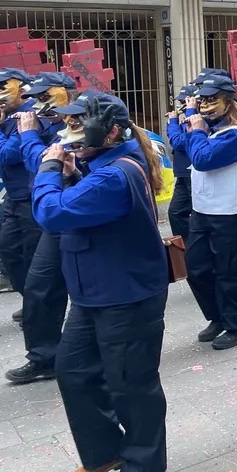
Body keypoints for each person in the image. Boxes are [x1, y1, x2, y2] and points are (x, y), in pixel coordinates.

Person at [32, 91, 169, 472]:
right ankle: (104, 453)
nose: (69, 129)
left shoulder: (114, 174)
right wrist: (73, 174)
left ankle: (143, 464)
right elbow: (87, 203)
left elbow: (51, 213)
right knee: (74, 371)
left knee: (132, 388)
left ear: (110, 132)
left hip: (125, 297)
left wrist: (49, 170)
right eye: (68, 121)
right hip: (94, 293)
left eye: (79, 121)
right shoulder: (102, 166)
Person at [3, 72, 78, 385]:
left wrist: (29, 135)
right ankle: (44, 357)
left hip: (74, 210)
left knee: (65, 288)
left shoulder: (78, 121)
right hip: (51, 210)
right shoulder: (41, 121)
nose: (38, 104)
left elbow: (44, 162)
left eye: (45, 96)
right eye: (35, 98)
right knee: (39, 284)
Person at [184, 74, 237, 351]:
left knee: (230, 273)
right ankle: (218, 317)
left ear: (228, 102)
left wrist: (196, 129)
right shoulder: (208, 131)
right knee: (196, 268)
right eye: (201, 100)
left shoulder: (235, 134)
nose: (204, 105)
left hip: (231, 213)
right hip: (202, 211)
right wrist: (189, 123)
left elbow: (202, 159)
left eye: (212, 100)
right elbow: (183, 147)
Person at [0, 67, 46, 310]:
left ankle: (37, 309)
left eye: (3, 88)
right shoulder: (7, 116)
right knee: (9, 251)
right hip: (13, 197)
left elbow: (9, 154)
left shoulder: (29, 116)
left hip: (30, 197)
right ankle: (30, 302)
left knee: (32, 256)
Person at [166, 84, 197, 244]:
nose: (181, 106)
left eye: (185, 102)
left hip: (193, 173)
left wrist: (173, 123)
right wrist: (173, 122)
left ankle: (199, 246)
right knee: (175, 212)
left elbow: (179, 142)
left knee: (199, 214)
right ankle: (186, 246)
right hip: (182, 174)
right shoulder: (184, 119)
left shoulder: (197, 119)